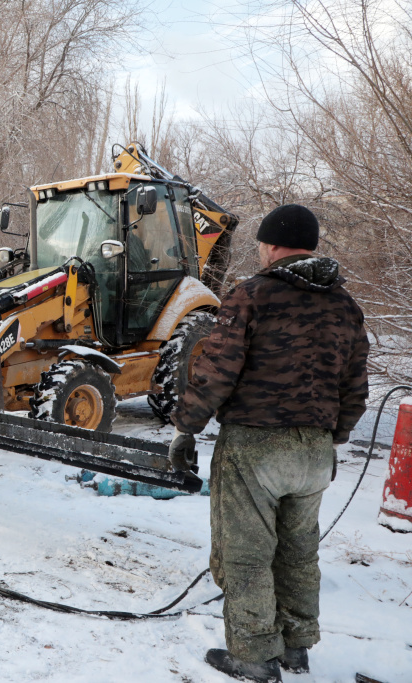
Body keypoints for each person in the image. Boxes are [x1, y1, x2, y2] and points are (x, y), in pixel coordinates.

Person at [169, 204, 369, 683]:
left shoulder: (251, 295)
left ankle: (255, 656)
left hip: (256, 447)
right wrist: (330, 437)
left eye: (261, 243)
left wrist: (186, 426)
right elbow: (355, 386)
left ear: (273, 245)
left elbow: (216, 371)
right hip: (315, 451)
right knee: (299, 552)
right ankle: (297, 649)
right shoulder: (345, 306)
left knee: (247, 553)